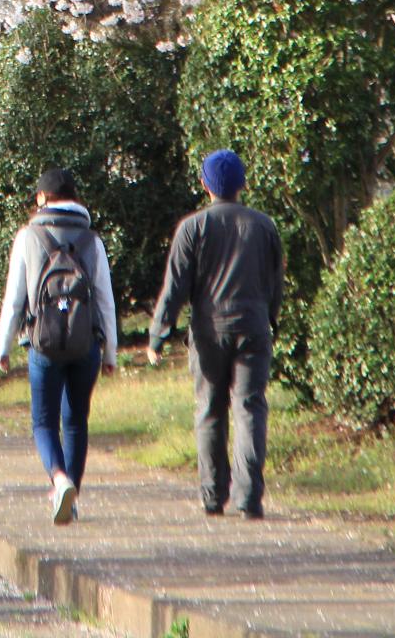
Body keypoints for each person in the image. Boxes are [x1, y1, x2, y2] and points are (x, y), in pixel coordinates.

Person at [148, 148, 284, 520]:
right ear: (242, 184)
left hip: (209, 331)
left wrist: (159, 333)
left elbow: (176, 285)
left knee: (210, 410)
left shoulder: (192, 227)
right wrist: (270, 317)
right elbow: (276, 283)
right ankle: (249, 497)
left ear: (205, 185)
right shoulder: (263, 225)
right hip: (254, 327)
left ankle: (212, 495)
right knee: (249, 408)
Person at [0, 167, 118, 525]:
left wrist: (3, 346)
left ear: (41, 199)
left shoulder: (28, 237)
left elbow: (15, 300)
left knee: (44, 422)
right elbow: (106, 301)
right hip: (85, 346)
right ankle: (72, 498)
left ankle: (59, 479)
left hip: (43, 345)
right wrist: (110, 351)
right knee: (76, 421)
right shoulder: (92, 240)